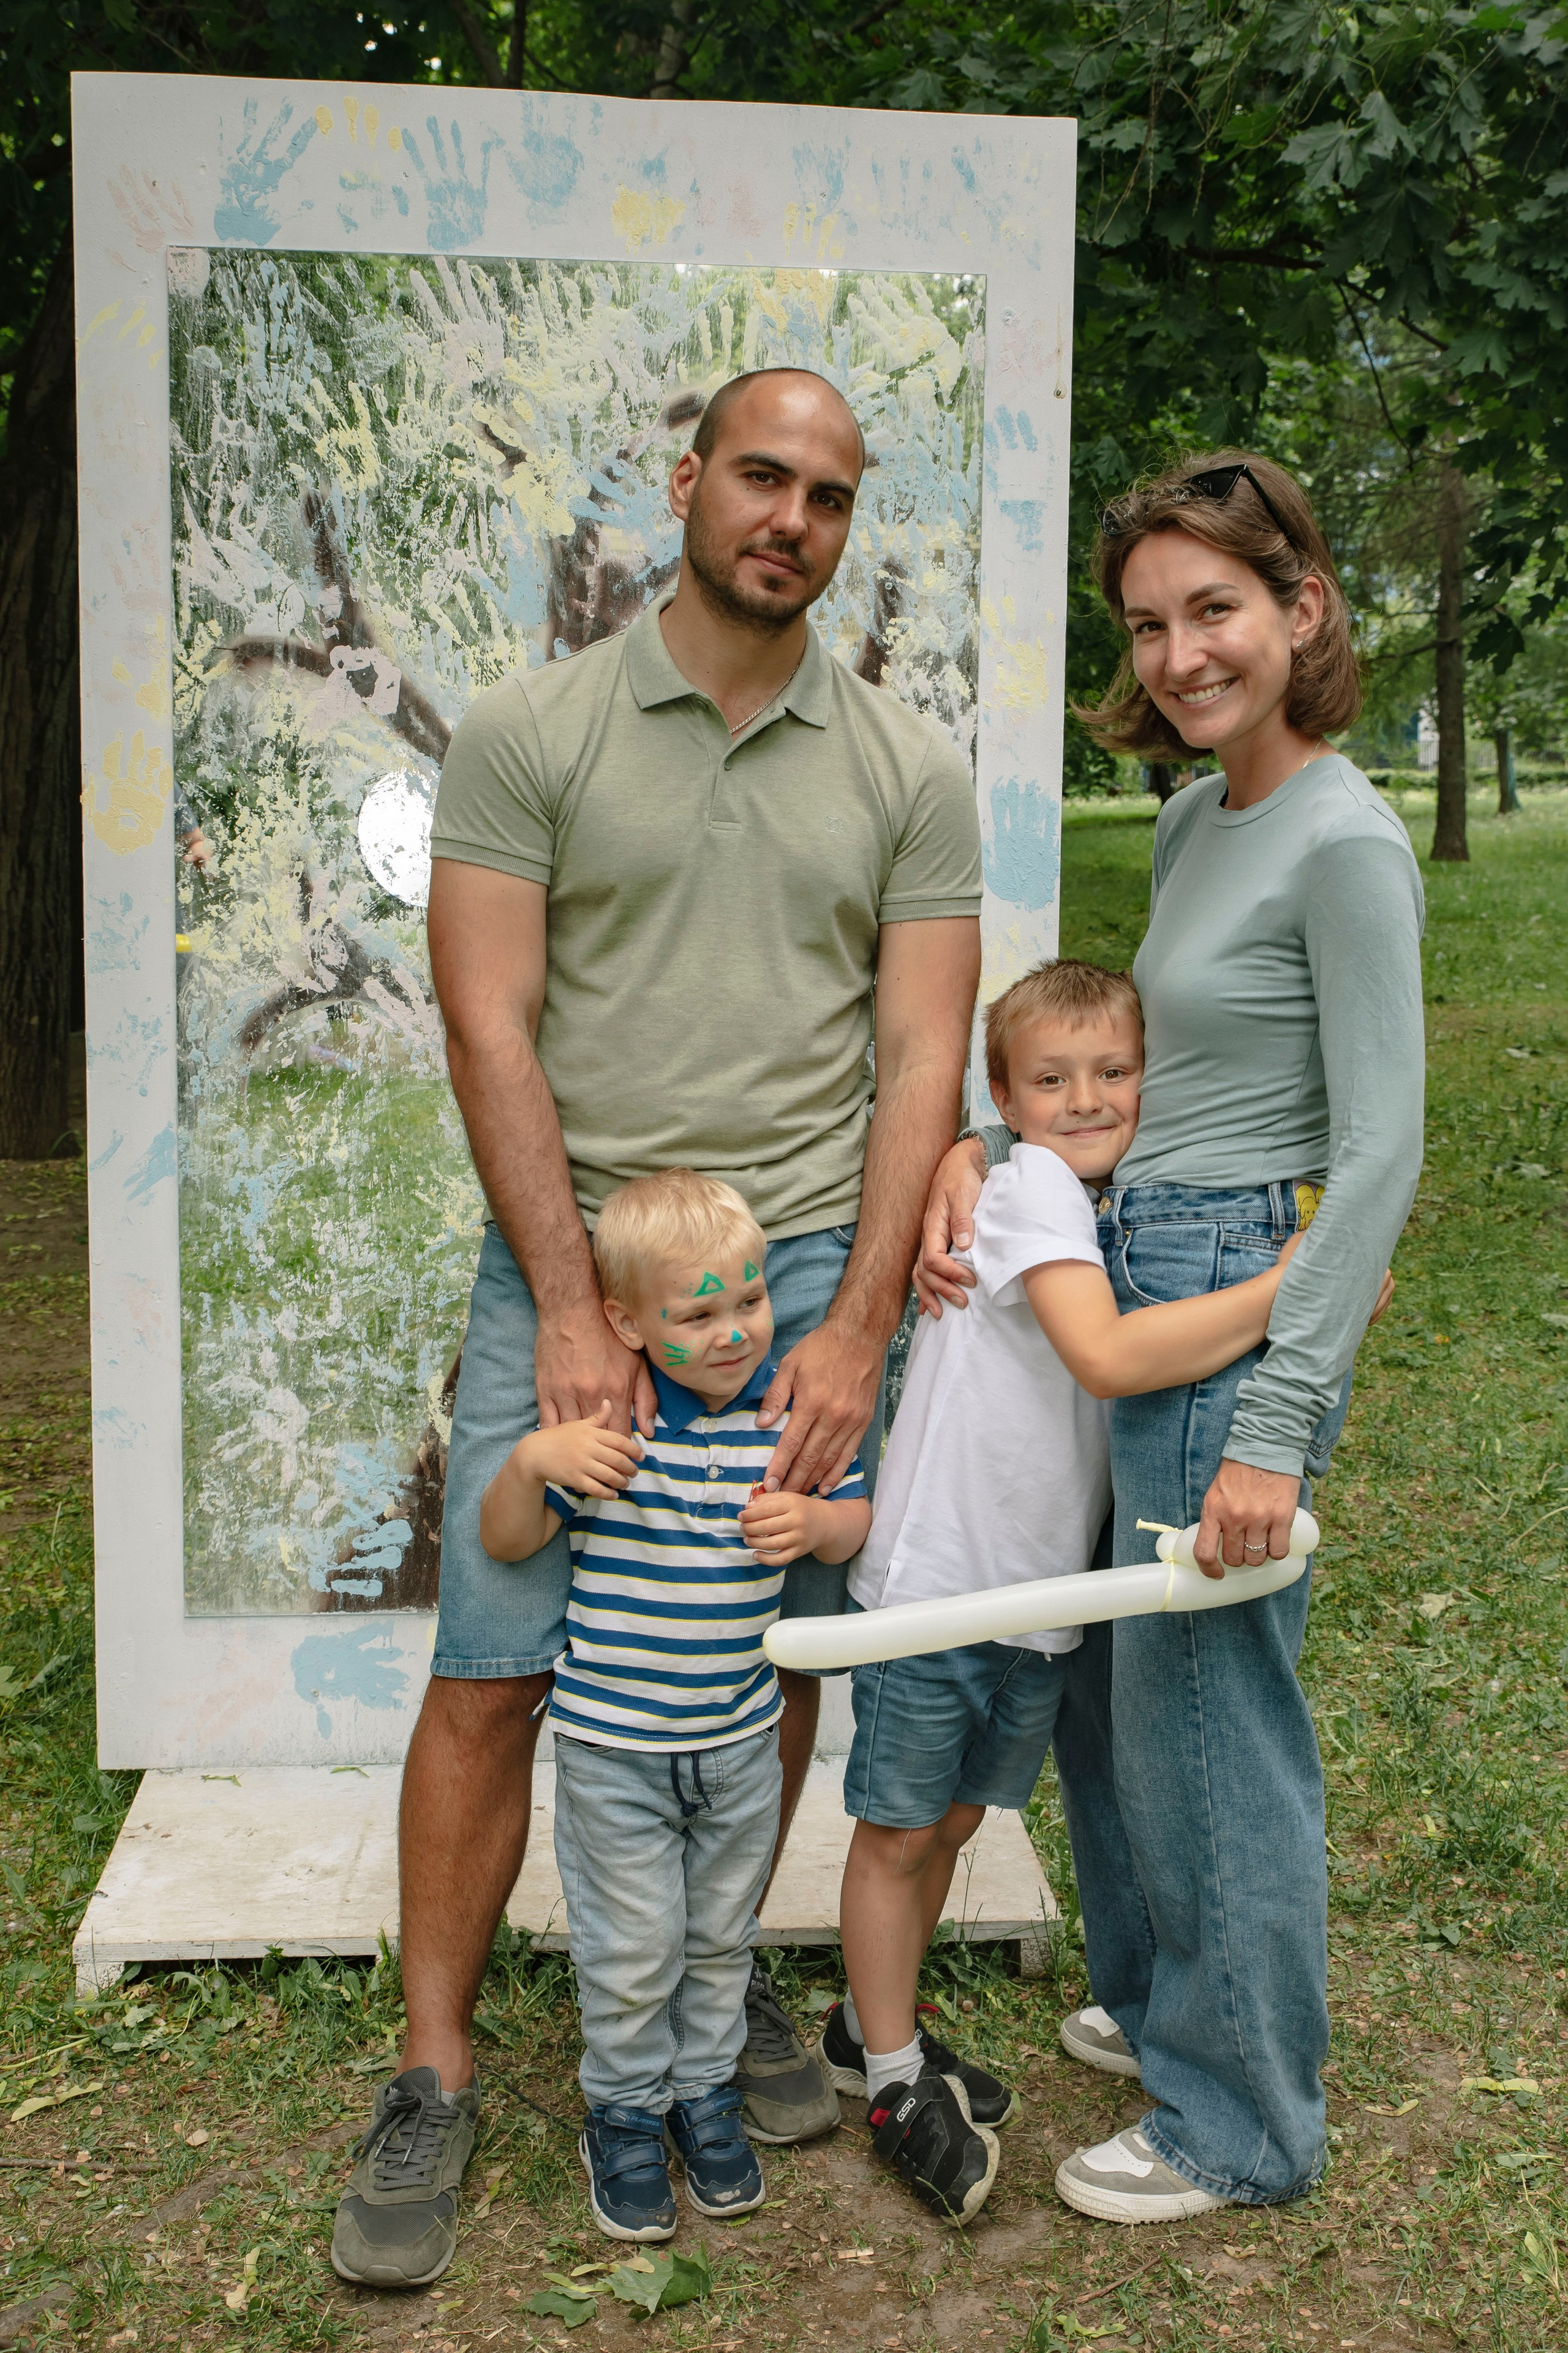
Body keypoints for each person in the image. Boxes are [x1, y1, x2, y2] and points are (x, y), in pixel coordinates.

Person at [331, 367, 982, 2289]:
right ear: (686, 483)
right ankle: (435, 2076)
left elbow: (928, 1050)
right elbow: (488, 1019)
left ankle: (708, 1996)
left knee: (753, 1637)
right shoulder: (535, 729)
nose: (792, 516)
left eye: (832, 496)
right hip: (580, 1253)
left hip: (791, 1276)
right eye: (762, 476)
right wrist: (563, 1301)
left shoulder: (906, 770)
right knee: (493, 1658)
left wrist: (859, 1320)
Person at [918, 451, 1424, 2223]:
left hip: (1227, 1306)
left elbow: (1383, 1151)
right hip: (1140, 1249)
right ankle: (1161, 2005)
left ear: (1302, 607)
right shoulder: (1209, 813)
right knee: (1112, 1705)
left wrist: (1281, 1418)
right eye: (1149, 619)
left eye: (1215, 607)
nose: (1182, 650)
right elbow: (1153, 1066)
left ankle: (1245, 2125)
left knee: (1213, 1713)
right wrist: (996, 1146)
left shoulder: (1347, 842)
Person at [822, 957, 1341, 2225]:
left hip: (1032, 1596)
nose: (1087, 1097)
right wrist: (1299, 1290)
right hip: (947, 1576)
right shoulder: (1031, 1185)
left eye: (1114, 1071)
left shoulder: (1092, 1183)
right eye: (1048, 1080)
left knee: (946, 1825)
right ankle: (889, 2071)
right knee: (900, 1830)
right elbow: (1104, 1359)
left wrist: (979, 1136)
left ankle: (864, 2027)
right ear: (1004, 1093)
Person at [478, 1171, 871, 2241]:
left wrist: (816, 1528)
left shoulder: (782, 1423)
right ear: (628, 1322)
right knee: (634, 1943)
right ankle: (623, 2110)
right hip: (616, 1751)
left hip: (741, 1745)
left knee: (719, 1938)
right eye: (697, 1313)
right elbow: (507, 1538)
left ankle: (704, 2092)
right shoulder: (612, 1437)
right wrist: (531, 1461)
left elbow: (854, 1512)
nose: (735, 1329)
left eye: (747, 1300)